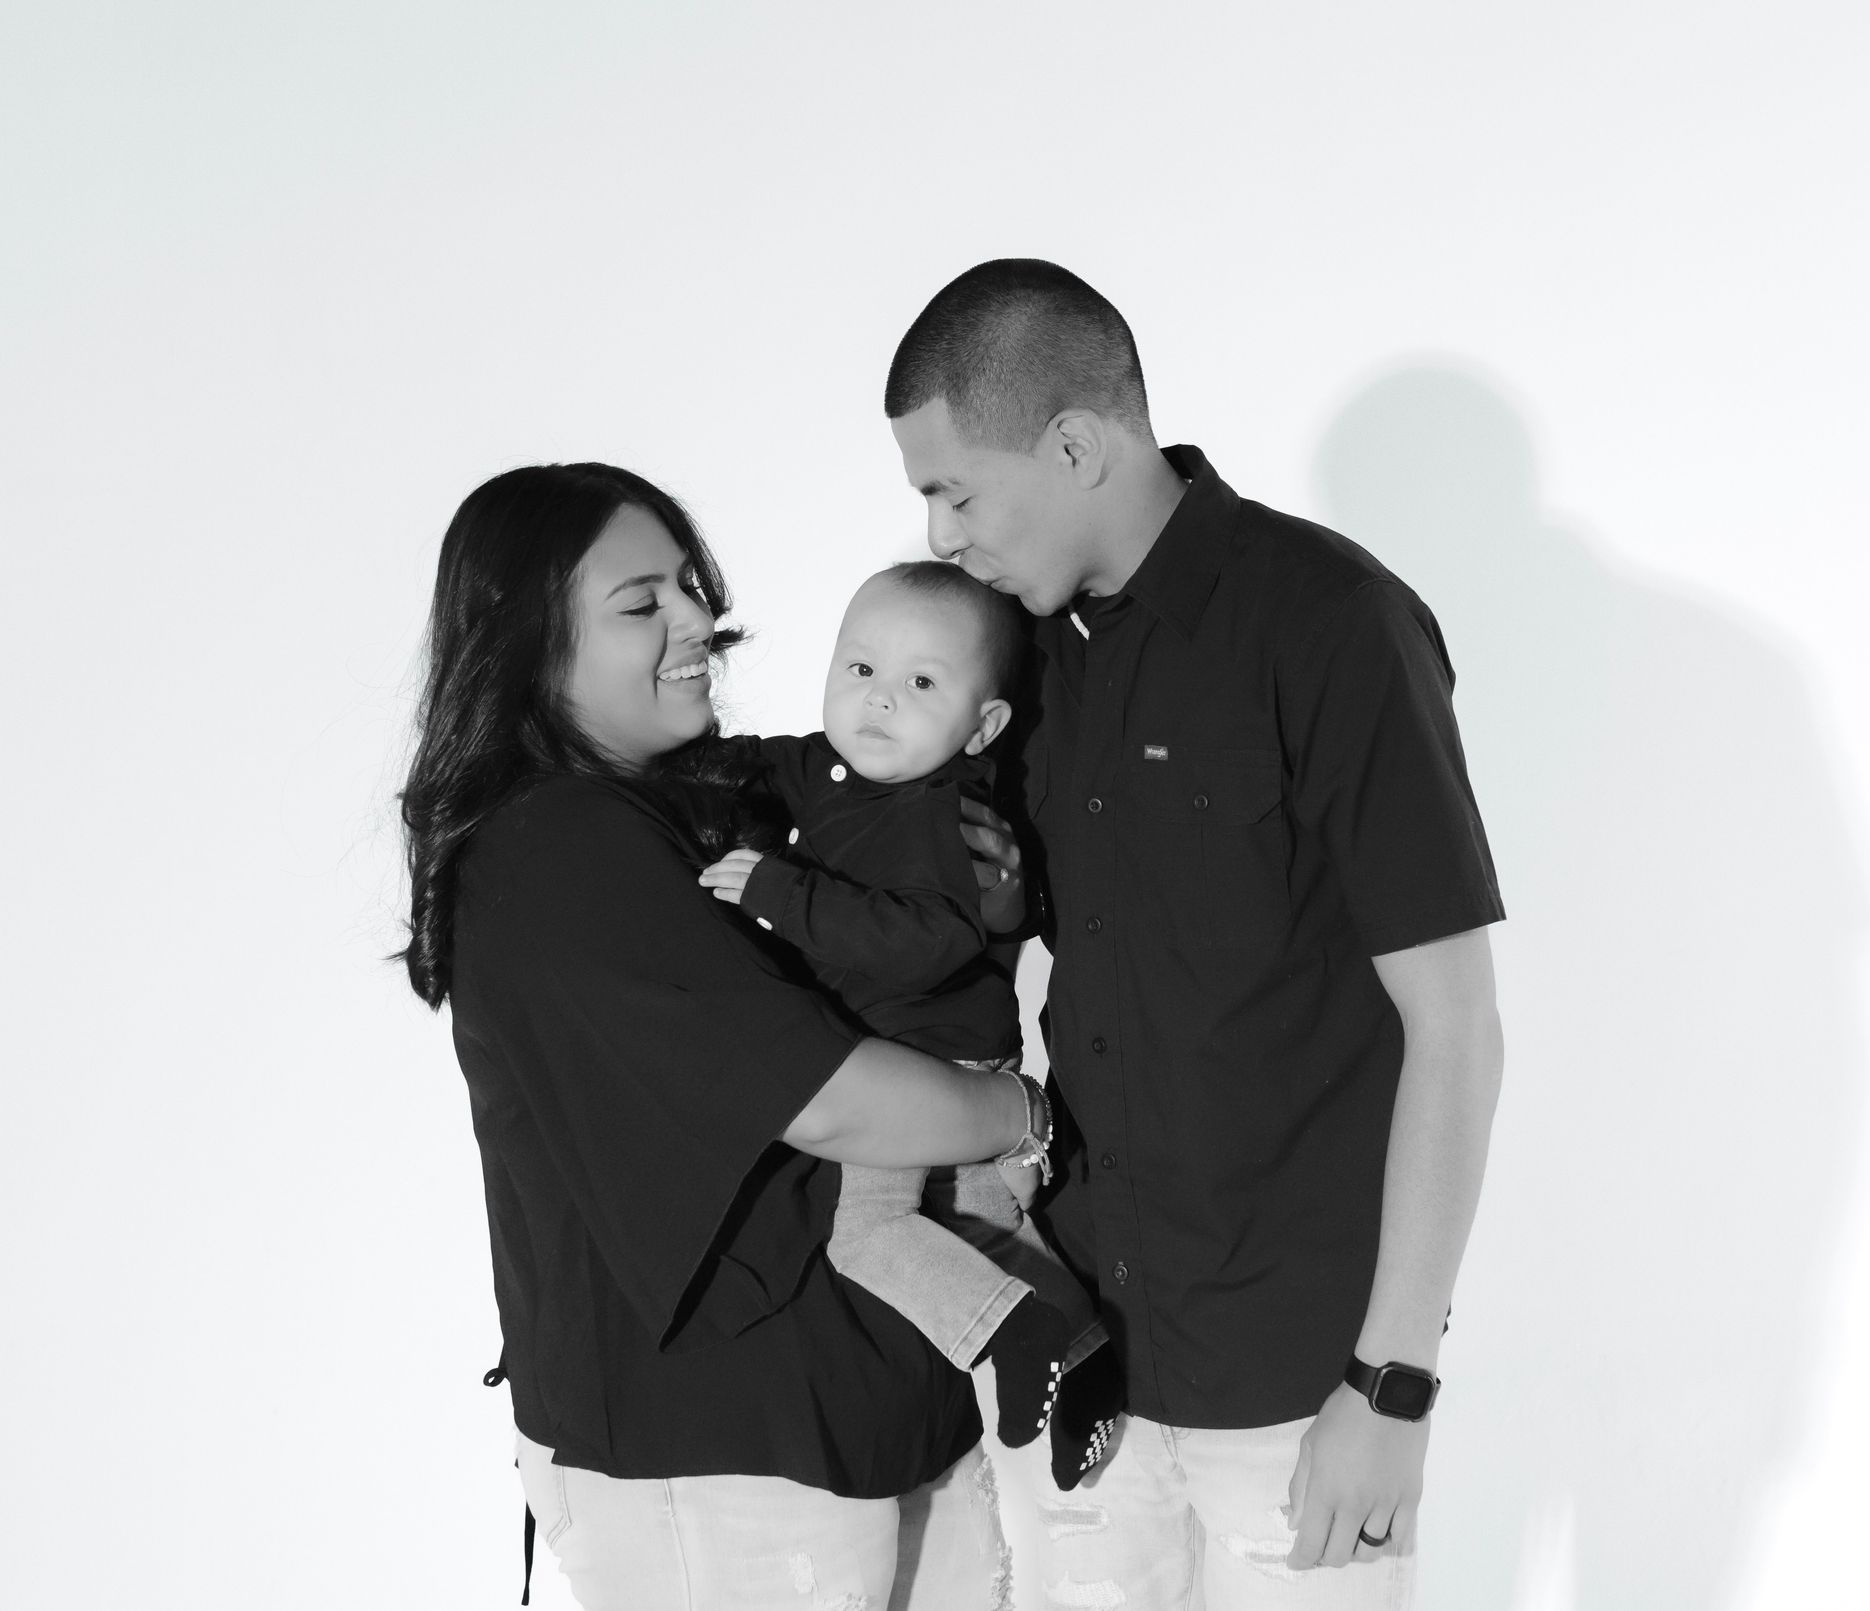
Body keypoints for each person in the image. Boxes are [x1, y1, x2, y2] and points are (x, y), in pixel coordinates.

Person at [884, 260, 1508, 1609]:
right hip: (1084, 1357)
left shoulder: (1333, 625)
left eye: (956, 490)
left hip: (1297, 1384)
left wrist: (1390, 1383)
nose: (941, 535)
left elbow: (1456, 1026)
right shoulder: (1019, 662)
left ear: (1074, 443)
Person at [396, 462, 1050, 1610]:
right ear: (525, 644)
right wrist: (1022, 1111)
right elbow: (831, 1096)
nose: (700, 620)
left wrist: (976, 899)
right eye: (642, 603)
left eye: (690, 587)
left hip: (861, 1413)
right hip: (715, 1462)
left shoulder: (695, 805)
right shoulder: (560, 846)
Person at [694, 561, 1122, 1488]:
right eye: (859, 670)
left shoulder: (943, 813)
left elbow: (923, 942)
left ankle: (1010, 1333)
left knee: (870, 1234)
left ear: (983, 726)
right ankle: (1085, 1354)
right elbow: (762, 763)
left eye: (920, 685)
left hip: (929, 1053)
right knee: (980, 1214)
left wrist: (782, 892)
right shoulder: (837, 766)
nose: (878, 703)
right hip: (921, 1052)